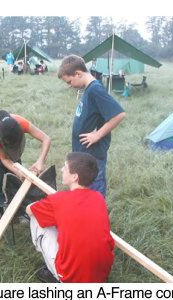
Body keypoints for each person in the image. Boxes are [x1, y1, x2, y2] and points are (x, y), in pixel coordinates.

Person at [27, 152, 114, 283]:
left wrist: (35, 204)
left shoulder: (58, 200)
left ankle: (54, 273)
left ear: (74, 177)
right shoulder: (99, 198)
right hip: (101, 273)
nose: (62, 169)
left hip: (72, 277)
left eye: (65, 167)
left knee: (36, 218)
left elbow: (29, 210)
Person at [57, 54, 126, 196]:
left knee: (95, 190)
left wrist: (97, 135)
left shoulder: (95, 90)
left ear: (78, 74)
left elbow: (119, 114)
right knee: (84, 190)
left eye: (69, 81)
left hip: (93, 156)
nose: (70, 86)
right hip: (84, 154)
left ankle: (96, 209)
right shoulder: (88, 89)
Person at [0, 110, 51, 237]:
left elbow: (46, 139)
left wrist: (40, 161)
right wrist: (18, 171)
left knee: (16, 182)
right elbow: (4, 159)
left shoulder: (21, 123)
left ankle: (18, 214)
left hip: (10, 150)